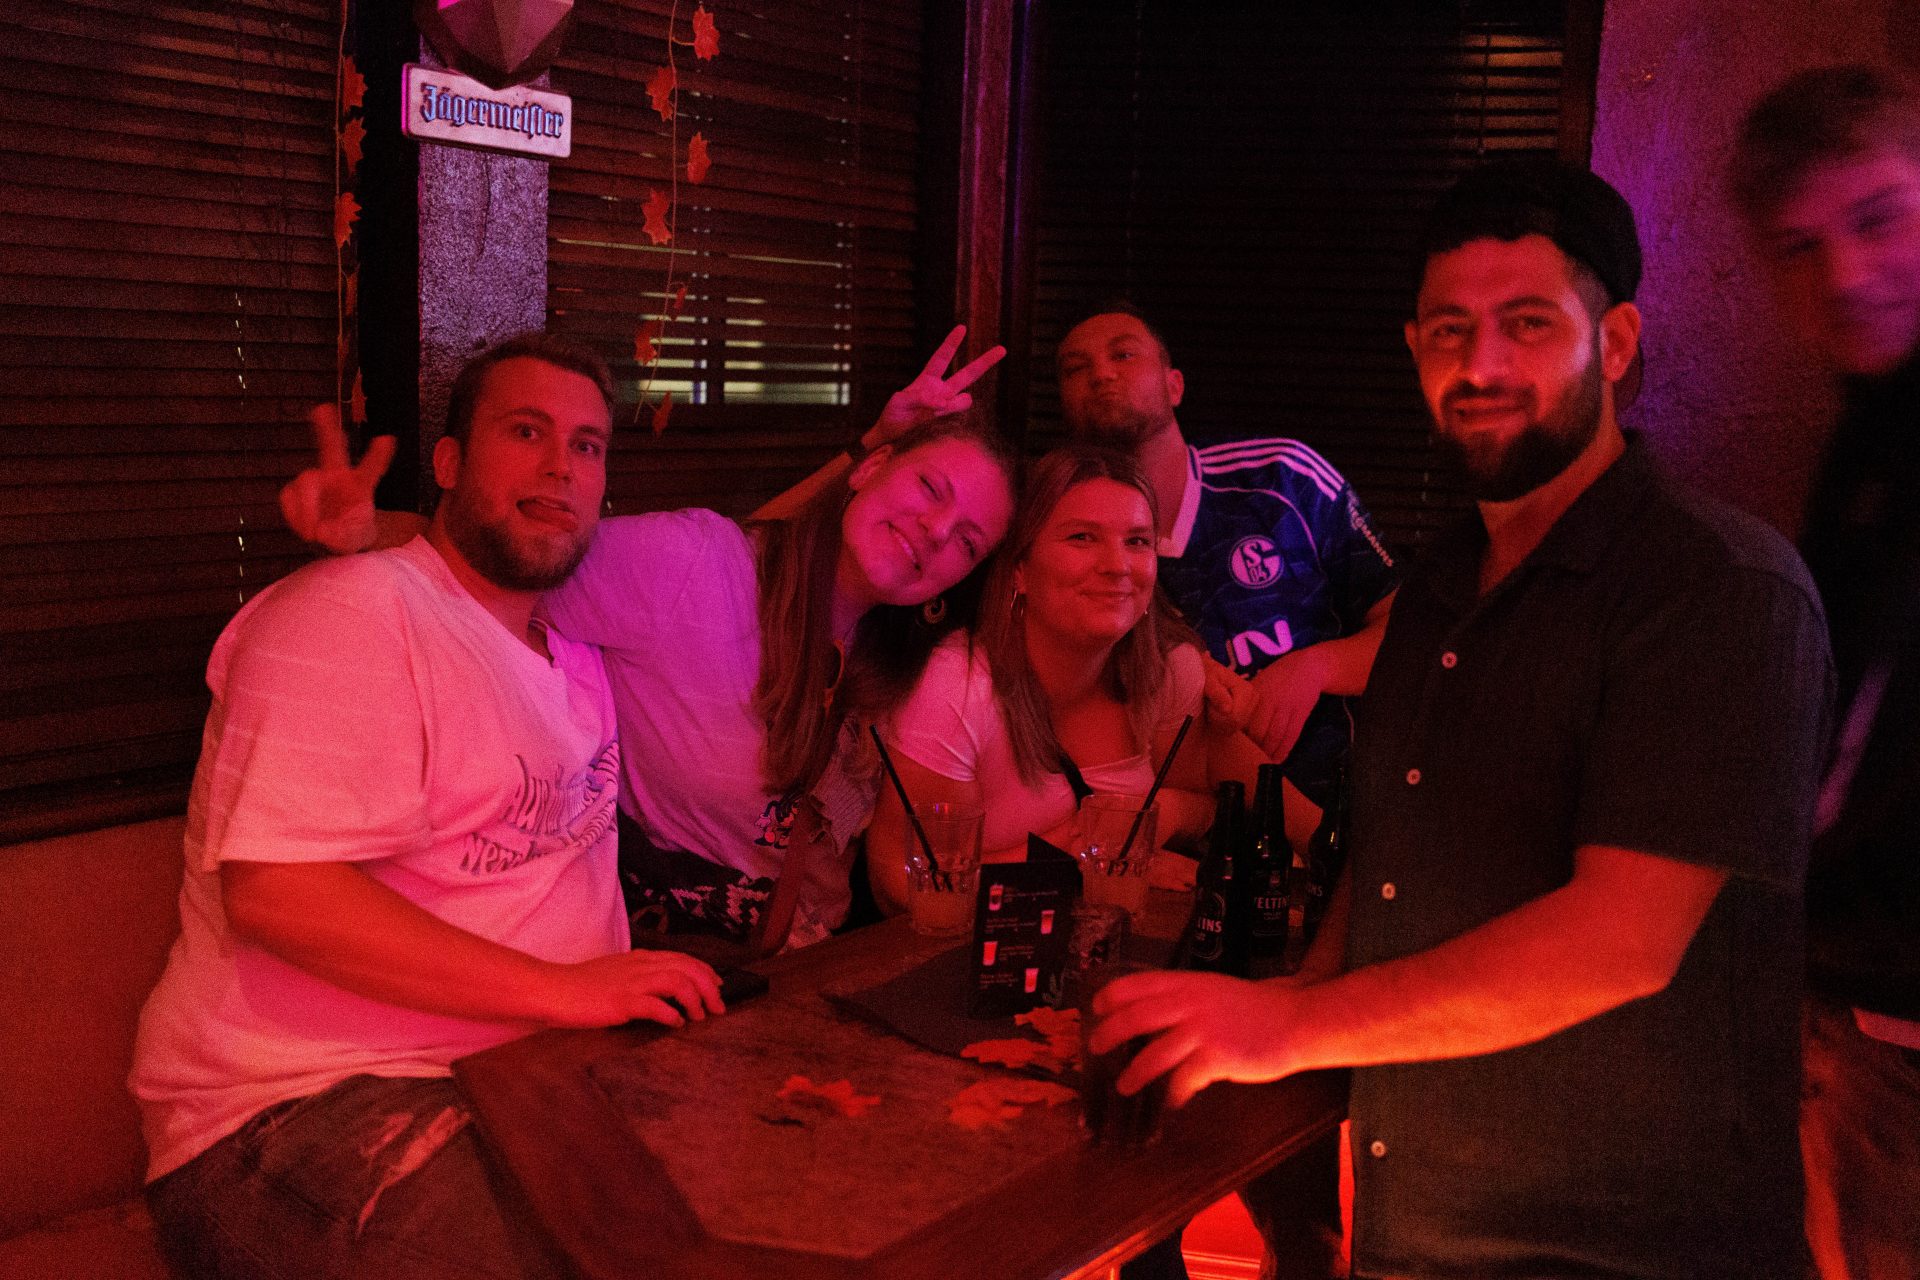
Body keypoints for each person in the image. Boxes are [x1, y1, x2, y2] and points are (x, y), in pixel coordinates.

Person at [1090, 159, 1833, 1279]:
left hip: (1635, 1246)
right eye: (1449, 331)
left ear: (1616, 343)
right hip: (1425, 1225)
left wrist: (1292, 1026)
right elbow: (1396, 837)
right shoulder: (1437, 583)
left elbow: (1622, 940)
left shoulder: (1717, 586)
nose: (1480, 364)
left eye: (1527, 323)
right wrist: (1298, 994)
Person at [130, 333, 726, 1279]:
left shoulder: (575, 654)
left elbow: (754, 569)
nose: (560, 466)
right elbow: (279, 896)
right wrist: (570, 991)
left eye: (586, 446)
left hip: (535, 1076)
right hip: (301, 1107)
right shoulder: (350, 611)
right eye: (525, 432)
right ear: (448, 462)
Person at [281, 329, 1019, 953]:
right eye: (931, 490)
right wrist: (367, 532)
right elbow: (512, 550)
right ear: (874, 467)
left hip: (818, 964)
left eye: (968, 541)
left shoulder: (903, 664)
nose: (936, 532)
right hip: (696, 967)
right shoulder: (691, 565)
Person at [1734, 65, 1920, 1280]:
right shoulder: (1869, 429)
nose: (1846, 276)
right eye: (1800, 248)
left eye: (1879, 218)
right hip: (1867, 1000)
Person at [1054, 305, 1398, 830]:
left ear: (1174, 385)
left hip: (1350, 809)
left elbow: (1413, 627)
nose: (1100, 373)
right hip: (1185, 832)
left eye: (1122, 355)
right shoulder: (1063, 540)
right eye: (1076, 367)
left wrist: (1317, 667)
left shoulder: (1283, 478)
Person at [868, 445, 1219, 909]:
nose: (1117, 565)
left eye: (1137, 541)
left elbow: (1204, 802)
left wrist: (1162, 814)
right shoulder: (959, 687)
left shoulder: (1168, 670)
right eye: (1082, 537)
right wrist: (1081, 861)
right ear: (1020, 569)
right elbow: (898, 879)